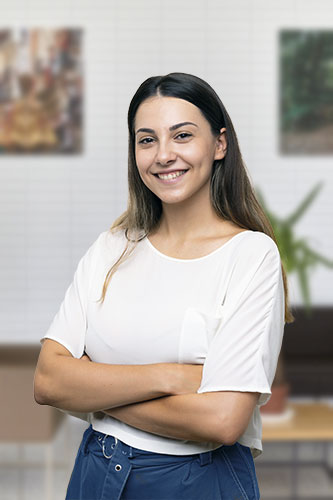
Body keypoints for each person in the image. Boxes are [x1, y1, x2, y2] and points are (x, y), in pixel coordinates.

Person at [34, 72, 294, 500]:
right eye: (147, 139)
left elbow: (223, 420)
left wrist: (91, 392)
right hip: (95, 473)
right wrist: (173, 377)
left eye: (183, 135)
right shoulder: (112, 247)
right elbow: (48, 380)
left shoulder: (251, 255)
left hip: (198, 479)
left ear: (220, 144)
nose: (164, 155)